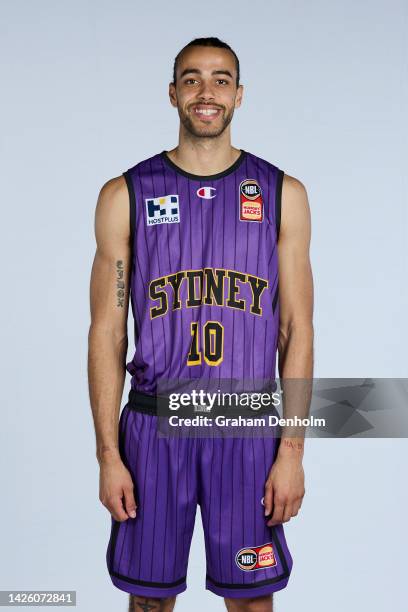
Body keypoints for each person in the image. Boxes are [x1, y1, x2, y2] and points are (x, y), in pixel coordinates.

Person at [88, 37, 314, 612]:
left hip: (245, 429)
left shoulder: (282, 194)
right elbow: (108, 334)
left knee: (250, 601)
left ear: (239, 95)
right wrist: (107, 455)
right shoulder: (126, 195)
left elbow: (296, 331)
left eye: (219, 80)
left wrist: (291, 452)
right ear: (173, 94)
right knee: (149, 601)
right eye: (191, 79)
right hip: (152, 426)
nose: (206, 92)